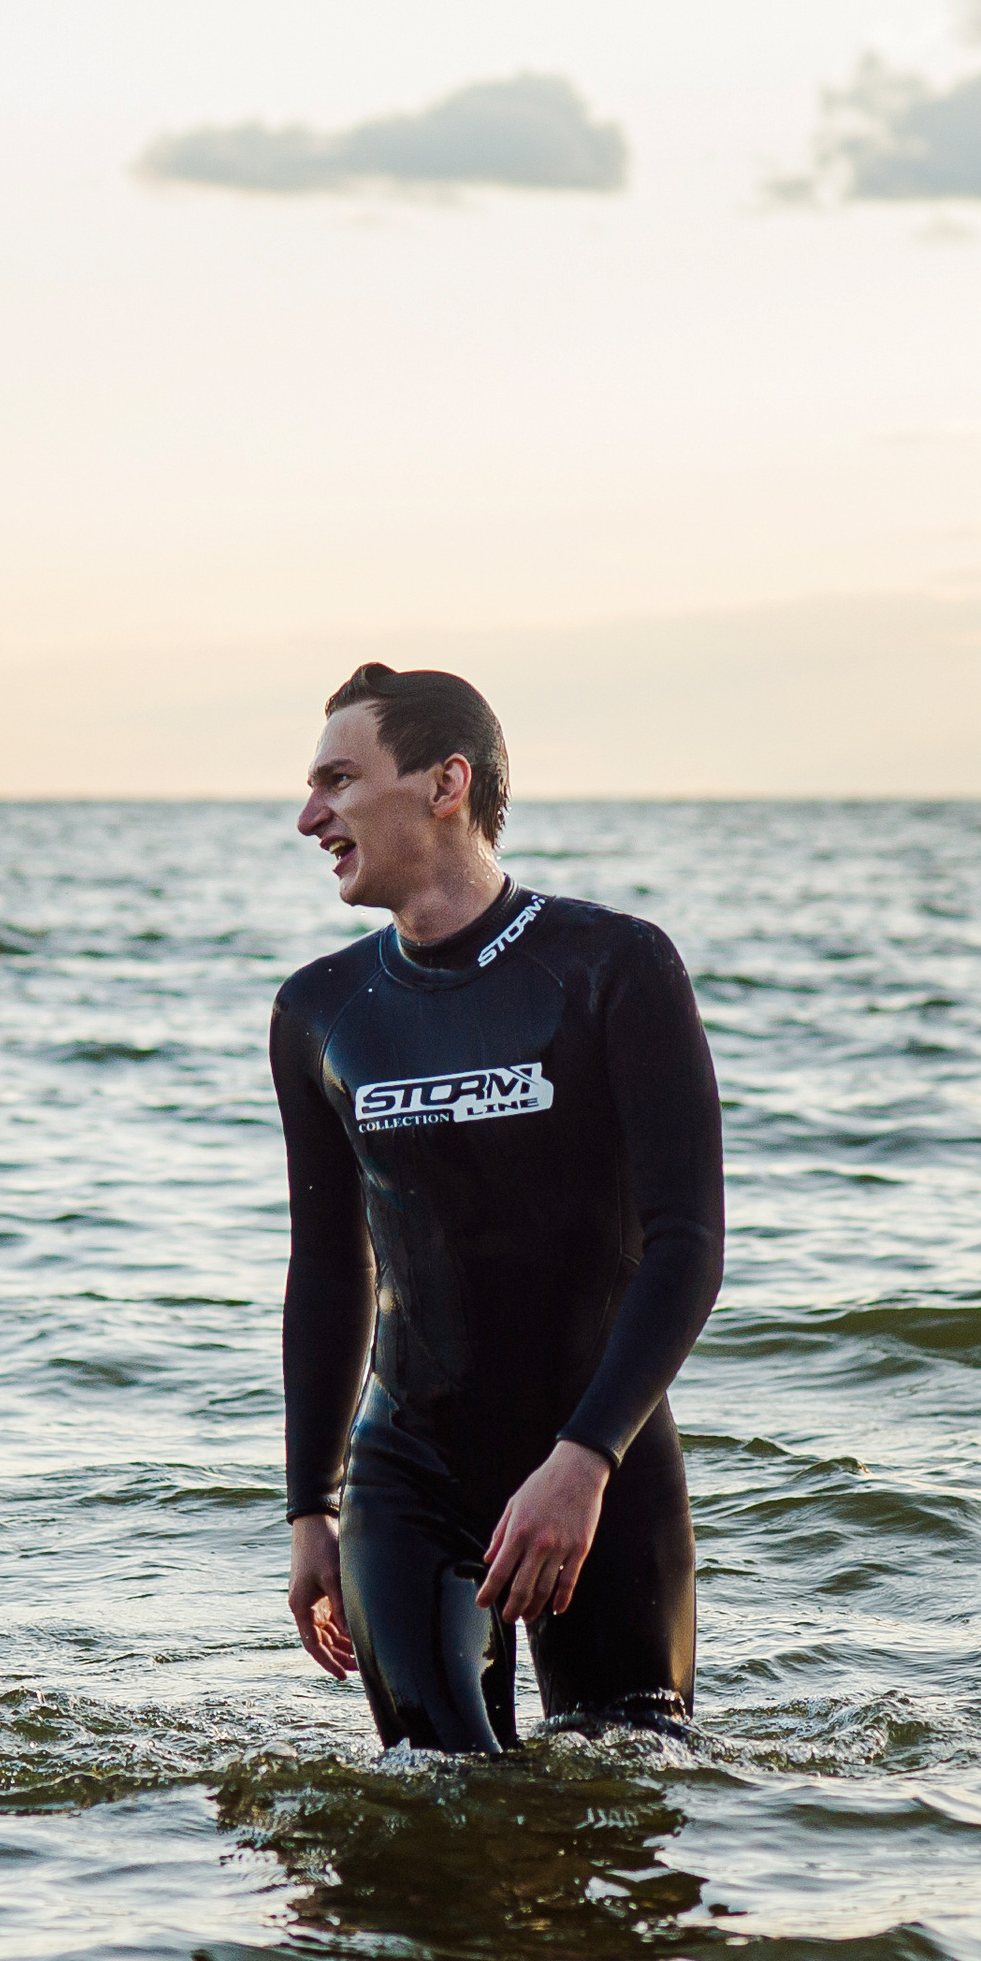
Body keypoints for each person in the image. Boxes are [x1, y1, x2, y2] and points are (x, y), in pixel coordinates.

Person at [270, 663, 723, 1752]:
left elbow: (686, 1247)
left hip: (598, 1465)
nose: (307, 816)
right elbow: (331, 1271)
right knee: (436, 1803)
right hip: (409, 1473)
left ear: (444, 782)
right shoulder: (320, 1011)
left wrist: (584, 1460)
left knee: (630, 1796)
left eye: (338, 778)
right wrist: (308, 1510)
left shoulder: (611, 966)